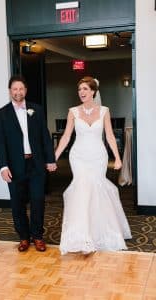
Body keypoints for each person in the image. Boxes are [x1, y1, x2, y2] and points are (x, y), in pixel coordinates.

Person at [55, 76, 132, 255]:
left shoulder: (104, 111)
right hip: (78, 156)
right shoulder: (73, 111)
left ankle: (102, 233)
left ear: (93, 92)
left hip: (98, 156)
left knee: (97, 189)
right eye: (80, 89)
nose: (82, 92)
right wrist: (55, 157)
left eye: (85, 89)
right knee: (82, 189)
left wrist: (117, 158)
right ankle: (82, 237)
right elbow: (66, 136)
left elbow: (110, 136)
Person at [0, 75, 57, 252]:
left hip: (36, 164)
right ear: (10, 91)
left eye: (21, 89)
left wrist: (50, 159)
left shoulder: (36, 110)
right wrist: (3, 166)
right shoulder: (2, 114)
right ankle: (23, 237)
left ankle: (37, 236)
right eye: (14, 89)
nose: (18, 92)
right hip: (14, 167)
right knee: (17, 203)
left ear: (25, 91)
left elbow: (45, 136)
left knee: (38, 200)